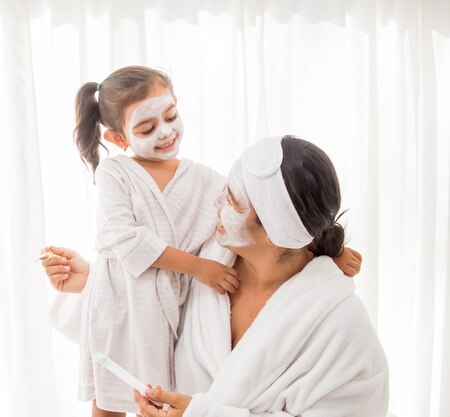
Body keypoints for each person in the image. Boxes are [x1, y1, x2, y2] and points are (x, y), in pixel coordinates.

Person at [50, 65, 363, 417]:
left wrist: (326, 252)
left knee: (147, 399)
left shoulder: (199, 181)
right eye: (147, 127)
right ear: (118, 139)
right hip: (124, 310)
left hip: (159, 325)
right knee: (110, 402)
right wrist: (92, 280)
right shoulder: (118, 175)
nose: (165, 132)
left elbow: (274, 211)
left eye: (171, 116)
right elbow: (127, 250)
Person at [128, 136, 389, 416]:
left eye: (232, 202)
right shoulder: (203, 262)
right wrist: (82, 286)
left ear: (275, 234)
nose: (216, 203)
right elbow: (146, 305)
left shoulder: (342, 327)